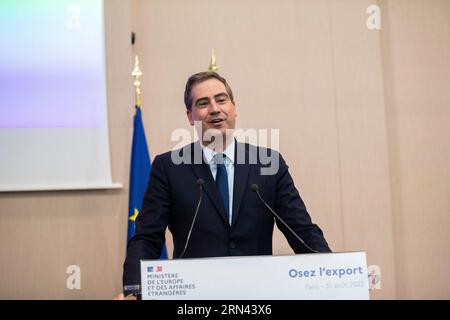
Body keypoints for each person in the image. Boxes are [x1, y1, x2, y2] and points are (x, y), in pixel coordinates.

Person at [120, 71, 331, 297]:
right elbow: (147, 237)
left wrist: (333, 276)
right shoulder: (168, 167)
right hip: (195, 298)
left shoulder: (268, 164)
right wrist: (134, 289)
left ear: (234, 107)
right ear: (190, 116)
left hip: (257, 296)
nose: (214, 109)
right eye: (203, 103)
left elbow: (301, 230)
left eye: (221, 100)